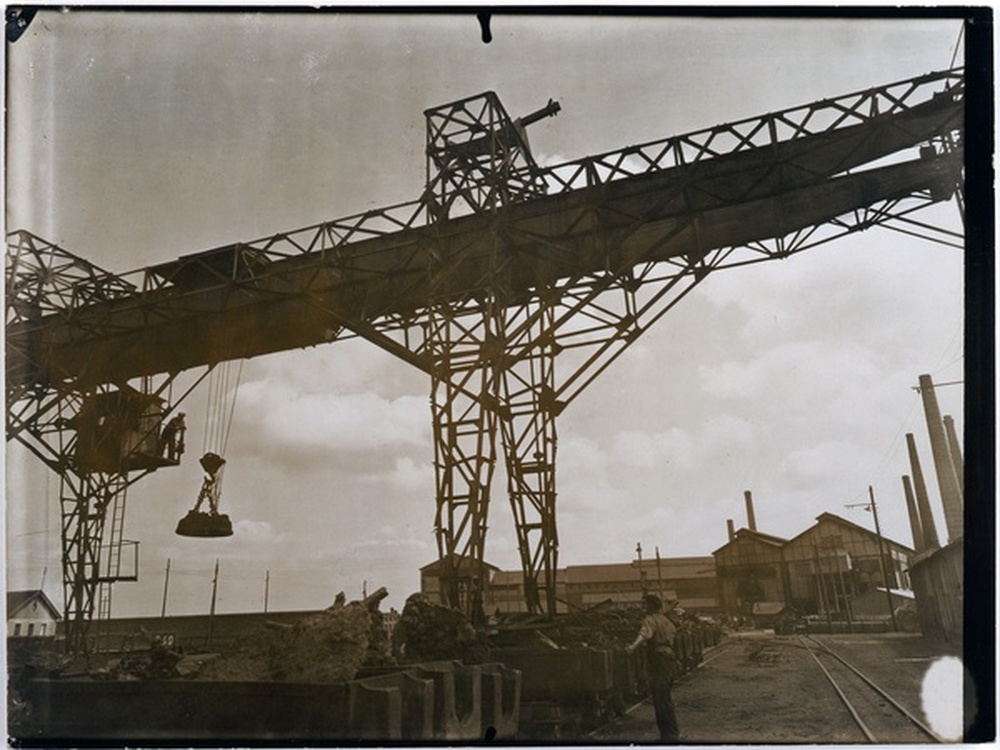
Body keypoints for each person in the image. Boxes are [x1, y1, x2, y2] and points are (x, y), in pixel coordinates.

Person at [626, 594, 681, 742]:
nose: (644, 607)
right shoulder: (667, 621)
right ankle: (672, 733)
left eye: (645, 605)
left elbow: (644, 635)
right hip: (669, 659)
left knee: (659, 699)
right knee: (666, 698)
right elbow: (673, 638)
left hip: (658, 661)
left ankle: (667, 737)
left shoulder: (650, 619)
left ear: (651, 606)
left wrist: (631, 648)